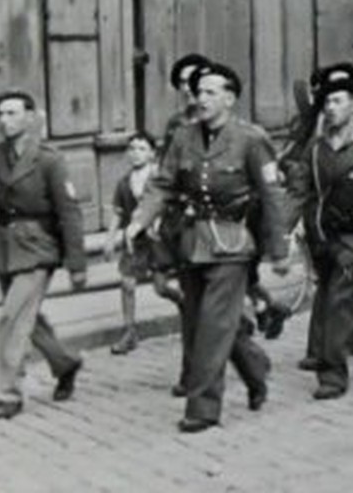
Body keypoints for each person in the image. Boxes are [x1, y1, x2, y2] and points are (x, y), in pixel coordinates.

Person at [126, 63, 292, 433]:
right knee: (209, 324)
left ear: (230, 98)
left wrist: (279, 250)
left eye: (211, 92)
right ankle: (255, 370)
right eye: (199, 92)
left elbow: (272, 195)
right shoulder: (184, 136)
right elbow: (163, 184)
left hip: (233, 244)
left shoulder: (251, 139)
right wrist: (139, 220)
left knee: (213, 327)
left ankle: (202, 407)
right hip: (191, 242)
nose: (201, 99)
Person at [0, 91, 87, 420]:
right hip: (4, 248)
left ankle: (6, 395)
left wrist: (77, 264)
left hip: (37, 248)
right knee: (25, 319)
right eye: (0, 114)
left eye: (13, 113)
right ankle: (65, 363)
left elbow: (69, 213)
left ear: (30, 117)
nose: (5, 120)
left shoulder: (49, 159)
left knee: (11, 319)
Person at [284, 73, 353, 400]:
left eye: (338, 101)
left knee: (338, 302)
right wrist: (281, 230)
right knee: (346, 301)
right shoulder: (316, 150)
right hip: (322, 237)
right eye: (327, 102)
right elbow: (298, 192)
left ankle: (332, 374)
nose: (330, 108)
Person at [104, 132, 184, 355]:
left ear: (152, 154)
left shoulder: (159, 180)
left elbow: (171, 205)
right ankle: (129, 332)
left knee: (162, 287)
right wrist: (110, 240)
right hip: (134, 242)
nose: (136, 153)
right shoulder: (124, 183)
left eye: (141, 149)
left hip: (157, 241)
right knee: (127, 284)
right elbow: (118, 214)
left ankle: (186, 305)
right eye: (132, 149)